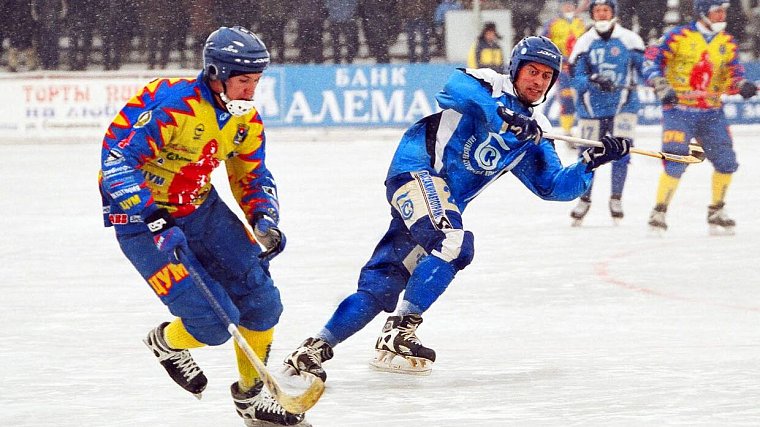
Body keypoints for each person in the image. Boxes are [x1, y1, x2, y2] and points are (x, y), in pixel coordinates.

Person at [282, 36, 631, 381]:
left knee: (380, 287)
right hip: (418, 173)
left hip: (436, 207)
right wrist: (503, 117)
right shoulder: (489, 84)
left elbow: (553, 187)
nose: (538, 82)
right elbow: (453, 88)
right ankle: (400, 330)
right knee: (453, 242)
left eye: (546, 76)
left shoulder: (537, 133)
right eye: (532, 72)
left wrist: (590, 162)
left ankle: (312, 349)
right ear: (515, 69)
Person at [98, 26, 308, 426]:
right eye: (244, 80)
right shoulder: (171, 104)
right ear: (215, 72)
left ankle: (252, 397)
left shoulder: (244, 119)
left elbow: (252, 172)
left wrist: (264, 218)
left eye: (257, 81)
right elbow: (116, 164)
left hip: (201, 211)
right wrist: (154, 218)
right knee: (212, 325)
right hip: (141, 220)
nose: (251, 90)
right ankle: (165, 342)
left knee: (263, 302)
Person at [643, 0, 757, 235]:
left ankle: (717, 209)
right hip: (679, 111)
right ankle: (659, 211)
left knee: (726, 162)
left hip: (711, 112)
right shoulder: (678, 36)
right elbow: (651, 59)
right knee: (675, 160)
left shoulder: (727, 42)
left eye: (723, 11)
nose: (721, 15)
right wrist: (660, 83)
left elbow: (733, 73)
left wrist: (742, 84)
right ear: (703, 13)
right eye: (717, 11)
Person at [567, 0, 645, 226]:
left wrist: (656, 81)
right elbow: (576, 78)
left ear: (613, 13)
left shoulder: (630, 40)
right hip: (591, 110)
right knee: (588, 156)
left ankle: (616, 198)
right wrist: (593, 79)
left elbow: (645, 68)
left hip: (624, 107)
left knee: (622, 152)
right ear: (592, 14)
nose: (601, 14)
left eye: (606, 10)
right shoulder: (584, 43)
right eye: (597, 10)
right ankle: (584, 198)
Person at [542, 0, 588, 136]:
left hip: (579, 65)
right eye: (565, 4)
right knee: (566, 97)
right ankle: (567, 130)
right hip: (562, 66)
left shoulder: (580, 22)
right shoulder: (552, 23)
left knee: (581, 96)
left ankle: (584, 129)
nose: (568, 7)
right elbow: (544, 42)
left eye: (571, 4)